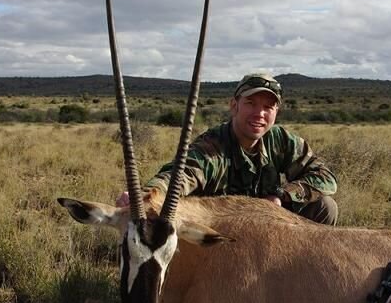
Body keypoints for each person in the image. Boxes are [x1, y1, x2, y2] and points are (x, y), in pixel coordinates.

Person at [120, 73, 338, 225]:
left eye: (267, 107)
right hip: (222, 228)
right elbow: (181, 174)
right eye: (251, 103)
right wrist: (147, 194)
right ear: (234, 105)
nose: (259, 114)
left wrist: (282, 196)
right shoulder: (212, 145)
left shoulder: (281, 140)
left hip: (270, 225)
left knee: (325, 207)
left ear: (276, 112)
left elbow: (326, 177)